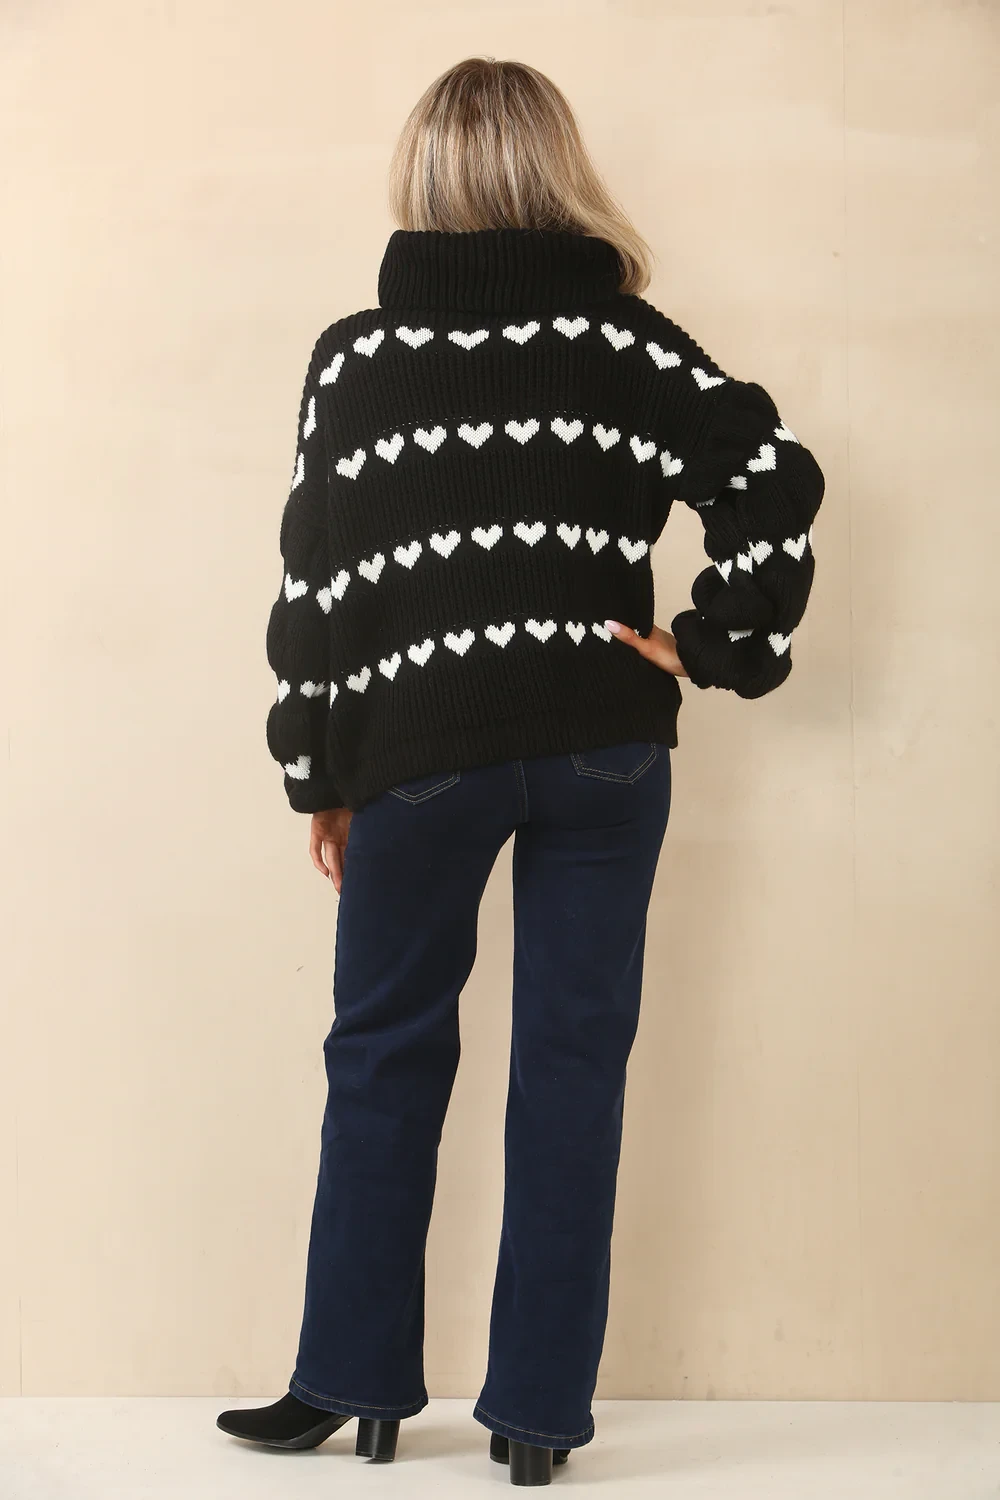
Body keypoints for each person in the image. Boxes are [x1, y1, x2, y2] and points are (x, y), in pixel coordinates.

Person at [216, 55, 824, 1488]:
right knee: (572, 1068)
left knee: (384, 1053)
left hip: (423, 756)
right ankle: (537, 1419)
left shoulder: (358, 361)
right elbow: (773, 477)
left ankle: (352, 1384)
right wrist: (706, 643)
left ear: (422, 174)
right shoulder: (631, 346)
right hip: (606, 750)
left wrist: (317, 770)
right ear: (559, 168)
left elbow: (318, 586)